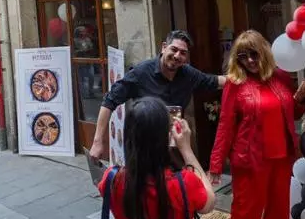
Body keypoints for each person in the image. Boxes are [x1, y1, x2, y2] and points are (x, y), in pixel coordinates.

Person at [208, 31, 305, 219]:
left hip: (281, 158)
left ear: (264, 52)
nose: (249, 61)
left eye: (254, 54)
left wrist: (299, 98)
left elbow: (291, 112)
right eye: (242, 56)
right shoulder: (236, 84)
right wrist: (216, 165)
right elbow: (225, 126)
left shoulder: (280, 78)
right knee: (245, 218)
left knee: (278, 214)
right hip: (249, 161)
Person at [90, 30, 225, 162]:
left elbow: (215, 81)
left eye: (183, 53)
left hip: (173, 149)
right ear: (164, 47)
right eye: (174, 49)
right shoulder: (141, 73)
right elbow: (109, 101)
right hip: (143, 149)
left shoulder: (189, 75)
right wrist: (98, 141)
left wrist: (237, 75)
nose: (177, 56)